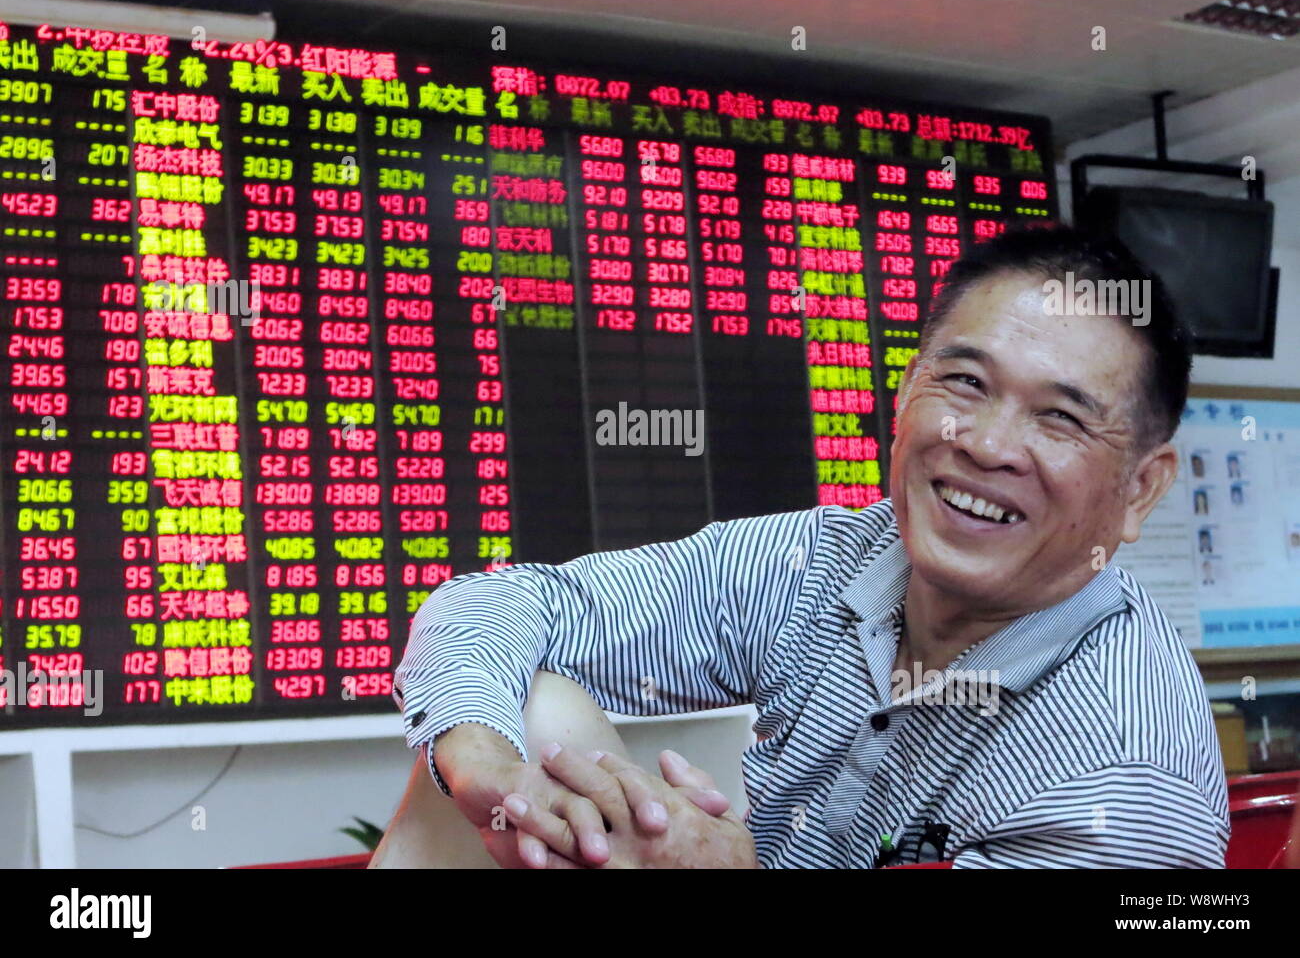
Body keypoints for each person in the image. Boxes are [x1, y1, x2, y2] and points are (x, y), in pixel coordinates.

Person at [375, 225, 1227, 869]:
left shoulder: (1124, 773)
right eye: (965, 382)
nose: (989, 444)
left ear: (1141, 489)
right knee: (533, 714)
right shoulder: (831, 558)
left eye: (1060, 417)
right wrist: (490, 772)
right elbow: (499, 604)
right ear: (904, 394)